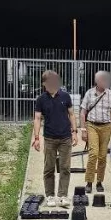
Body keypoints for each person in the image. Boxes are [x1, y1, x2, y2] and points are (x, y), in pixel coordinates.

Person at [32, 69, 78, 207]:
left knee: (65, 167)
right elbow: (37, 118)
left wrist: (74, 132)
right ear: (44, 84)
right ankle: (50, 195)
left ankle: (63, 195)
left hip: (65, 137)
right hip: (50, 138)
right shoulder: (41, 99)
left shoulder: (65, 96)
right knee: (49, 168)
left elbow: (72, 114)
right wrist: (36, 137)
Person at [79, 70, 111, 193]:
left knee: (102, 156)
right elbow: (82, 112)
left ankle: (100, 182)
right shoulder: (89, 93)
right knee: (93, 154)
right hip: (92, 125)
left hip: (106, 127)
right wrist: (83, 129)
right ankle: (89, 182)